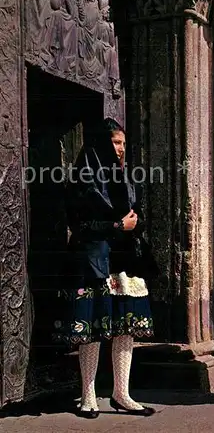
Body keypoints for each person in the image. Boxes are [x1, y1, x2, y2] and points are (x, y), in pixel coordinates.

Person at [53, 118, 159, 418]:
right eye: (115, 142)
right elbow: (80, 226)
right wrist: (116, 225)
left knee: (126, 328)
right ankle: (88, 395)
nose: (121, 148)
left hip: (124, 262)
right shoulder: (83, 179)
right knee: (95, 330)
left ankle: (121, 393)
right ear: (102, 143)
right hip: (95, 261)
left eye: (123, 143)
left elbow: (136, 215)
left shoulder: (125, 177)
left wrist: (135, 223)